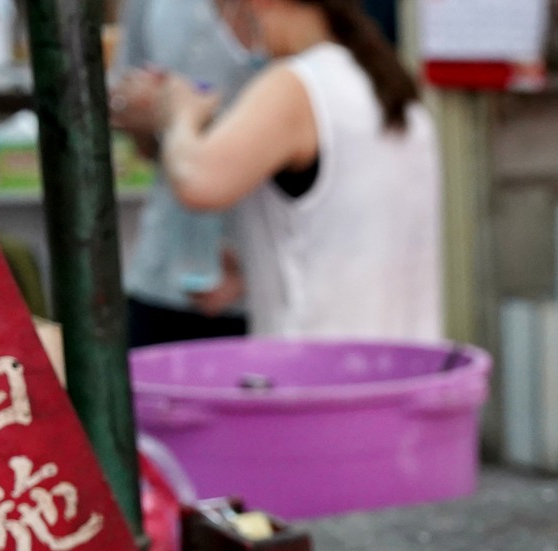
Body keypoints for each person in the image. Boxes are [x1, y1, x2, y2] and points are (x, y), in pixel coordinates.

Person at [151, 0, 441, 340]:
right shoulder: (384, 83)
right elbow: (355, 236)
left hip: (322, 359)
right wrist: (253, 272)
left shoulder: (297, 85)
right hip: (406, 351)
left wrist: (179, 114)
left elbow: (196, 179)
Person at [108, 0, 256, 347]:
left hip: (263, 276)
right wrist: (140, 109)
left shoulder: (292, 23)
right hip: (163, 269)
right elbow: (136, 124)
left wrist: (183, 117)